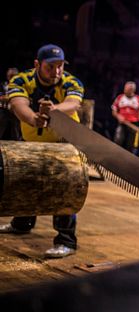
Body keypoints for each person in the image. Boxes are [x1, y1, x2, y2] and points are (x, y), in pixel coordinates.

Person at [0, 45, 85, 258]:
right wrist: (34, 118)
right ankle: (22, 223)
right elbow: (19, 105)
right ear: (37, 64)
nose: (57, 72)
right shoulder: (21, 80)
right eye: (50, 67)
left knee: (64, 186)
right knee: (27, 180)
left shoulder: (71, 81)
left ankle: (66, 240)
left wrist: (54, 110)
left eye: (60, 66)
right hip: (31, 139)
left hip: (64, 142)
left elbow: (73, 104)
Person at [112, 81, 139, 155]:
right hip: (122, 124)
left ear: (132, 90)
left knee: (131, 146)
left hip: (134, 126)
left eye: (127, 89)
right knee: (118, 140)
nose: (125, 90)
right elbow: (114, 111)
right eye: (125, 88)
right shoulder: (120, 97)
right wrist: (118, 116)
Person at [0, 67, 21, 140]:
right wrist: (2, 97)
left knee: (16, 130)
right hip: (4, 109)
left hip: (15, 110)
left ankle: (18, 145)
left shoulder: (20, 86)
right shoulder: (3, 84)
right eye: (10, 76)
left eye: (13, 76)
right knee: (1, 126)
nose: (11, 78)